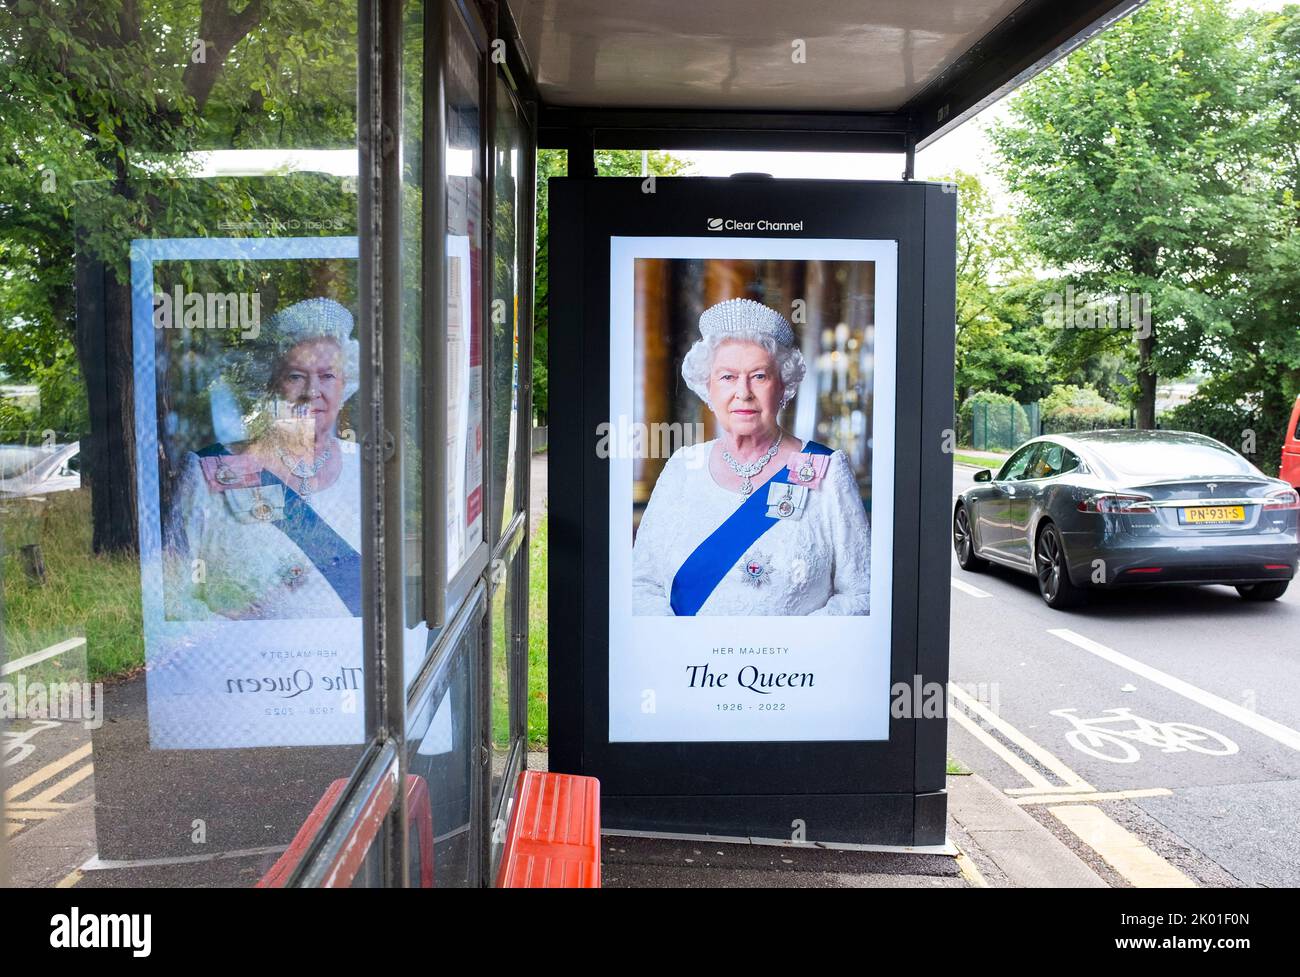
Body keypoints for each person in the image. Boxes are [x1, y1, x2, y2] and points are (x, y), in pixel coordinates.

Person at [631, 297, 871, 616]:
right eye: (727, 377)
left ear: (783, 386)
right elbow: (642, 585)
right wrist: (680, 650)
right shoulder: (681, 469)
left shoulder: (824, 470)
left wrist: (791, 650)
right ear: (708, 389)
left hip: (792, 666)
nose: (743, 391)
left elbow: (862, 593)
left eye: (759, 376)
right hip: (694, 666)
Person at [164, 297, 362, 620]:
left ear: (344, 384)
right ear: (269, 385)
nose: (313, 391)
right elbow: (172, 598)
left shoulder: (367, 472)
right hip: (242, 669)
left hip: (348, 670)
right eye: (296, 376)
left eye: (327, 376)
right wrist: (236, 631)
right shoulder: (208, 473)